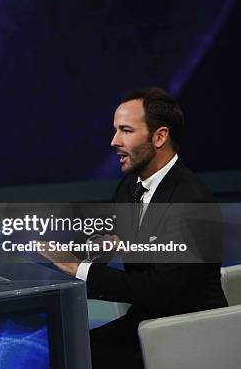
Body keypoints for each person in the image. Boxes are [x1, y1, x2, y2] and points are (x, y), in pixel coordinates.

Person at [48, 88, 227, 368]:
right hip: (147, 319)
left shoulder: (191, 200)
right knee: (56, 347)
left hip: (189, 330)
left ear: (159, 137)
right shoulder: (130, 186)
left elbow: (158, 289)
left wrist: (78, 268)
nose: (114, 141)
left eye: (126, 131)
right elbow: (114, 241)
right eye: (115, 130)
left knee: (70, 356)